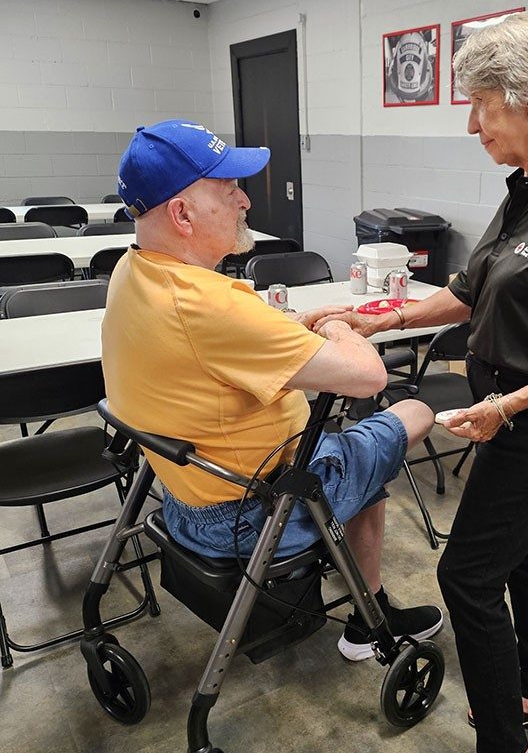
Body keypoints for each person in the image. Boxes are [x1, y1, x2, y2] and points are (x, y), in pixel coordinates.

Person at [315, 12, 528, 753]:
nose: (473, 124)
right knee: (521, 549)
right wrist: (384, 319)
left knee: (467, 576)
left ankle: (504, 739)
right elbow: (469, 289)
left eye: (481, 105)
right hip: (505, 410)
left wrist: (504, 406)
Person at [101, 119, 443, 662]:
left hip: (186, 493)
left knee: (349, 452)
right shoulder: (210, 306)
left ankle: (365, 598)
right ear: (182, 214)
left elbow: (215, 345)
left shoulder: (133, 271)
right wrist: (336, 324)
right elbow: (370, 376)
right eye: (228, 190)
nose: (244, 202)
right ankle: (367, 622)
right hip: (254, 512)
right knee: (412, 411)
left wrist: (287, 331)